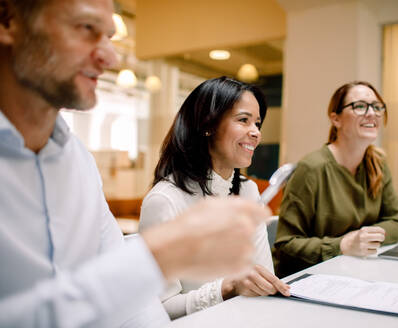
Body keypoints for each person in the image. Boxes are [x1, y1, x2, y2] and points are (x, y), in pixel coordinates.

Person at [0, 0, 270, 326]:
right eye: (86, 28)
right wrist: (158, 257)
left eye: (109, 36)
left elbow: (137, 306)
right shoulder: (166, 198)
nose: (110, 57)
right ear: (8, 21)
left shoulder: (79, 162)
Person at [139, 76, 290, 319]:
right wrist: (227, 288)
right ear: (206, 125)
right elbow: (159, 310)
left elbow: (263, 275)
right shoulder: (164, 200)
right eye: (243, 120)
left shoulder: (248, 191)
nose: (255, 133)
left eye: (257, 123)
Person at [273, 81, 398, 278]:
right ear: (336, 119)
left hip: (354, 273)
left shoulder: (378, 163)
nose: (372, 113)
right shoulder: (311, 169)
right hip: (307, 280)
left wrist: (362, 238)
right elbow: (286, 245)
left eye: (377, 106)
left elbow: (397, 223)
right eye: (360, 106)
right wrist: (344, 244)